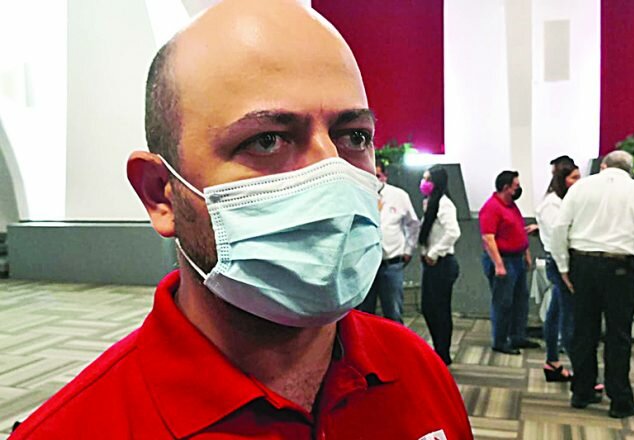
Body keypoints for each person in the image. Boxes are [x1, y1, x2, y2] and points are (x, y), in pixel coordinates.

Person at [10, 1, 472, 438]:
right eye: (267, 140)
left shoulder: (418, 370)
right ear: (160, 193)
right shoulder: (76, 429)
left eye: (354, 136)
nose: (331, 174)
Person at [551, 150, 634, 418]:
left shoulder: (580, 188)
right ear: (629, 169)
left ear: (603, 166)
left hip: (583, 265)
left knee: (584, 332)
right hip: (621, 268)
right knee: (618, 336)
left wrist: (563, 267)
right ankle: (620, 401)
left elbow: (560, 229)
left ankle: (582, 392)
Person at [479, 170, 540, 355]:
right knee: (503, 303)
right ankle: (500, 341)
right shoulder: (491, 208)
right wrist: (498, 264)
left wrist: (526, 253)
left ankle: (517, 336)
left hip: (517, 258)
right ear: (506, 188)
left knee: (520, 301)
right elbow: (488, 238)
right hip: (503, 259)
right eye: (516, 186)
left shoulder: (511, 206)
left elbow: (519, 230)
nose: (519, 189)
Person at [357, 160, 420, 323]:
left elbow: (413, 224)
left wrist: (408, 249)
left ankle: (395, 340)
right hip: (365, 265)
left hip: (391, 264)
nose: (374, 180)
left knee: (393, 312)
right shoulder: (358, 195)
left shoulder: (399, 196)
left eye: (377, 176)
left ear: (385, 176)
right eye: (370, 175)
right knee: (364, 315)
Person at [535, 159, 580, 381]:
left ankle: (552, 361)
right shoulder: (552, 204)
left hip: (562, 260)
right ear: (562, 180)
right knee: (568, 317)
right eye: (573, 178)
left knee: (555, 312)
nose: (578, 182)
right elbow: (557, 238)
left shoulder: (565, 201)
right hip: (560, 262)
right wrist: (565, 270)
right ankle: (582, 373)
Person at [418, 166, 461, 365]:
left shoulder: (444, 204)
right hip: (431, 264)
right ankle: (438, 349)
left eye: (428, 179)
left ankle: (443, 353)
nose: (424, 183)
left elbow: (453, 232)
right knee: (429, 308)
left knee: (440, 309)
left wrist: (434, 253)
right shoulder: (429, 202)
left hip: (442, 264)